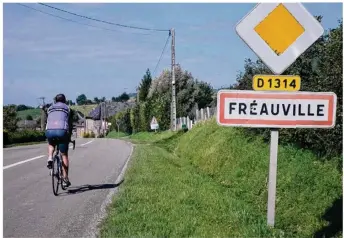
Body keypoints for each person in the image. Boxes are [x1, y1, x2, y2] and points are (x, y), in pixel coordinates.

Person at [45, 93, 72, 187]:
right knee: (64, 155)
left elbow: (47, 120)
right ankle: (65, 179)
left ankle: (50, 157)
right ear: (65, 100)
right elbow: (70, 124)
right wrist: (69, 137)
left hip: (49, 131)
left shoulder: (50, 108)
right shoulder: (67, 108)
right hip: (62, 131)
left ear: (55, 101)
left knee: (51, 144)